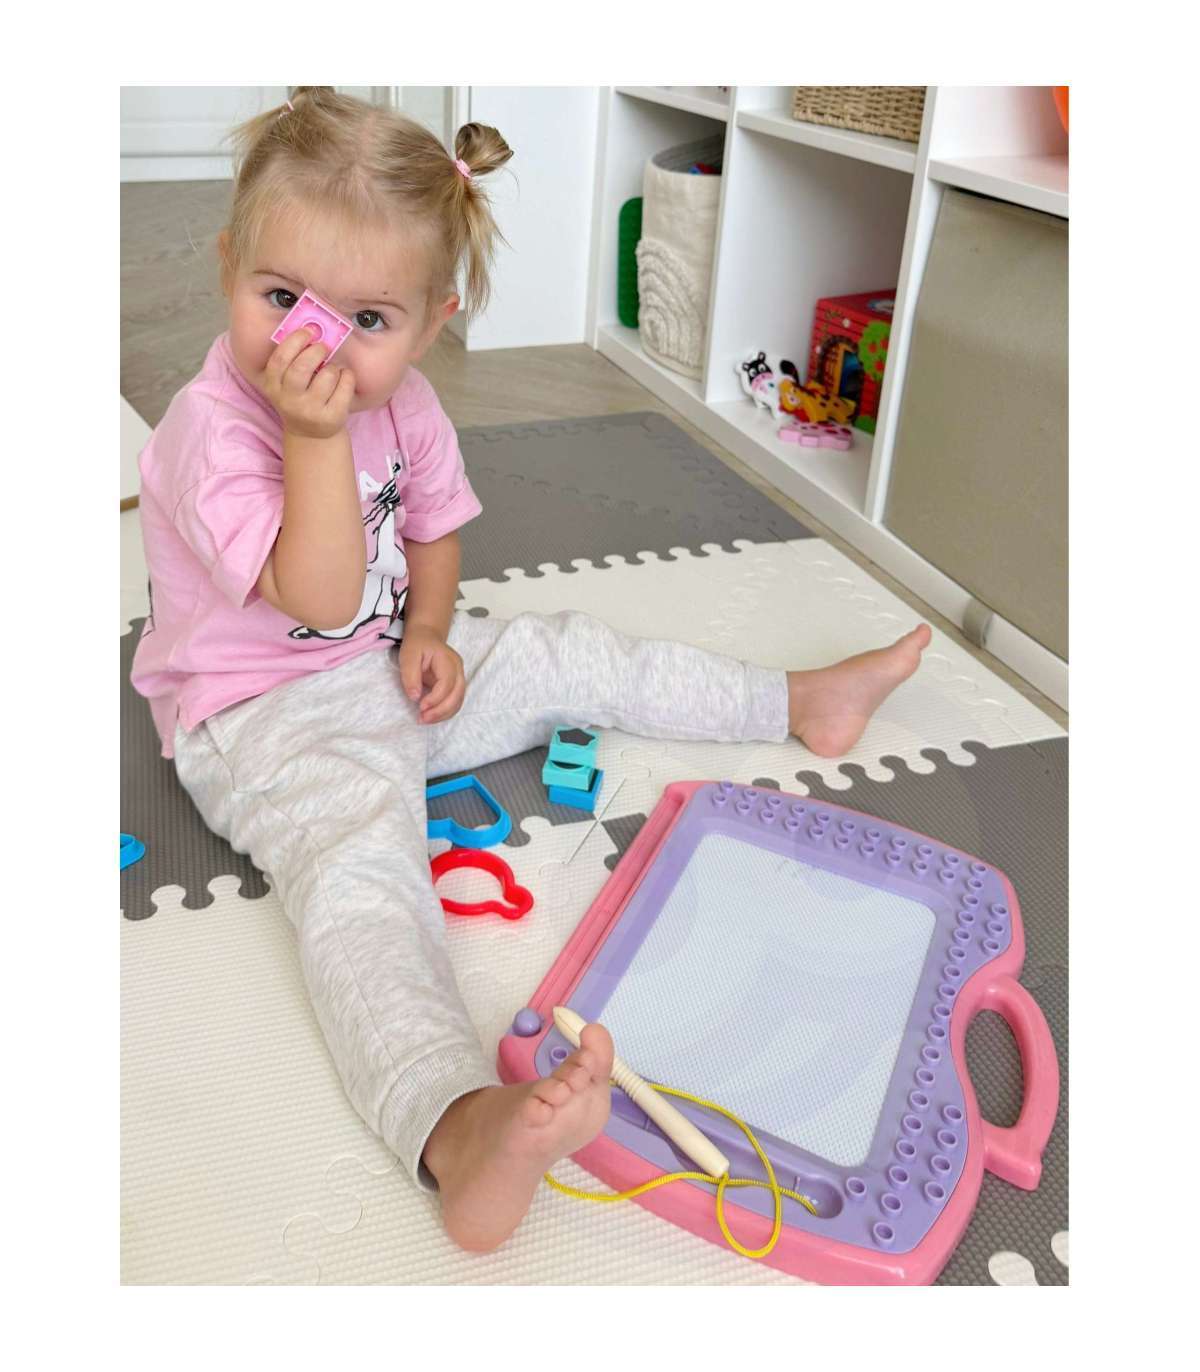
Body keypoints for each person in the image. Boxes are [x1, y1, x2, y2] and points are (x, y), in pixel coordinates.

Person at [130, 87, 931, 1254]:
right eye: (282, 298)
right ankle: (454, 1127)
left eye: (366, 318)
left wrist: (432, 632)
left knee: (565, 647)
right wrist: (314, 440)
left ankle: (796, 699)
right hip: (263, 717)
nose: (314, 345)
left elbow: (433, 535)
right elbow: (320, 595)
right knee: (361, 876)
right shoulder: (215, 430)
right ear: (226, 268)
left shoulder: (404, 404)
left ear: (431, 324)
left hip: (390, 666)